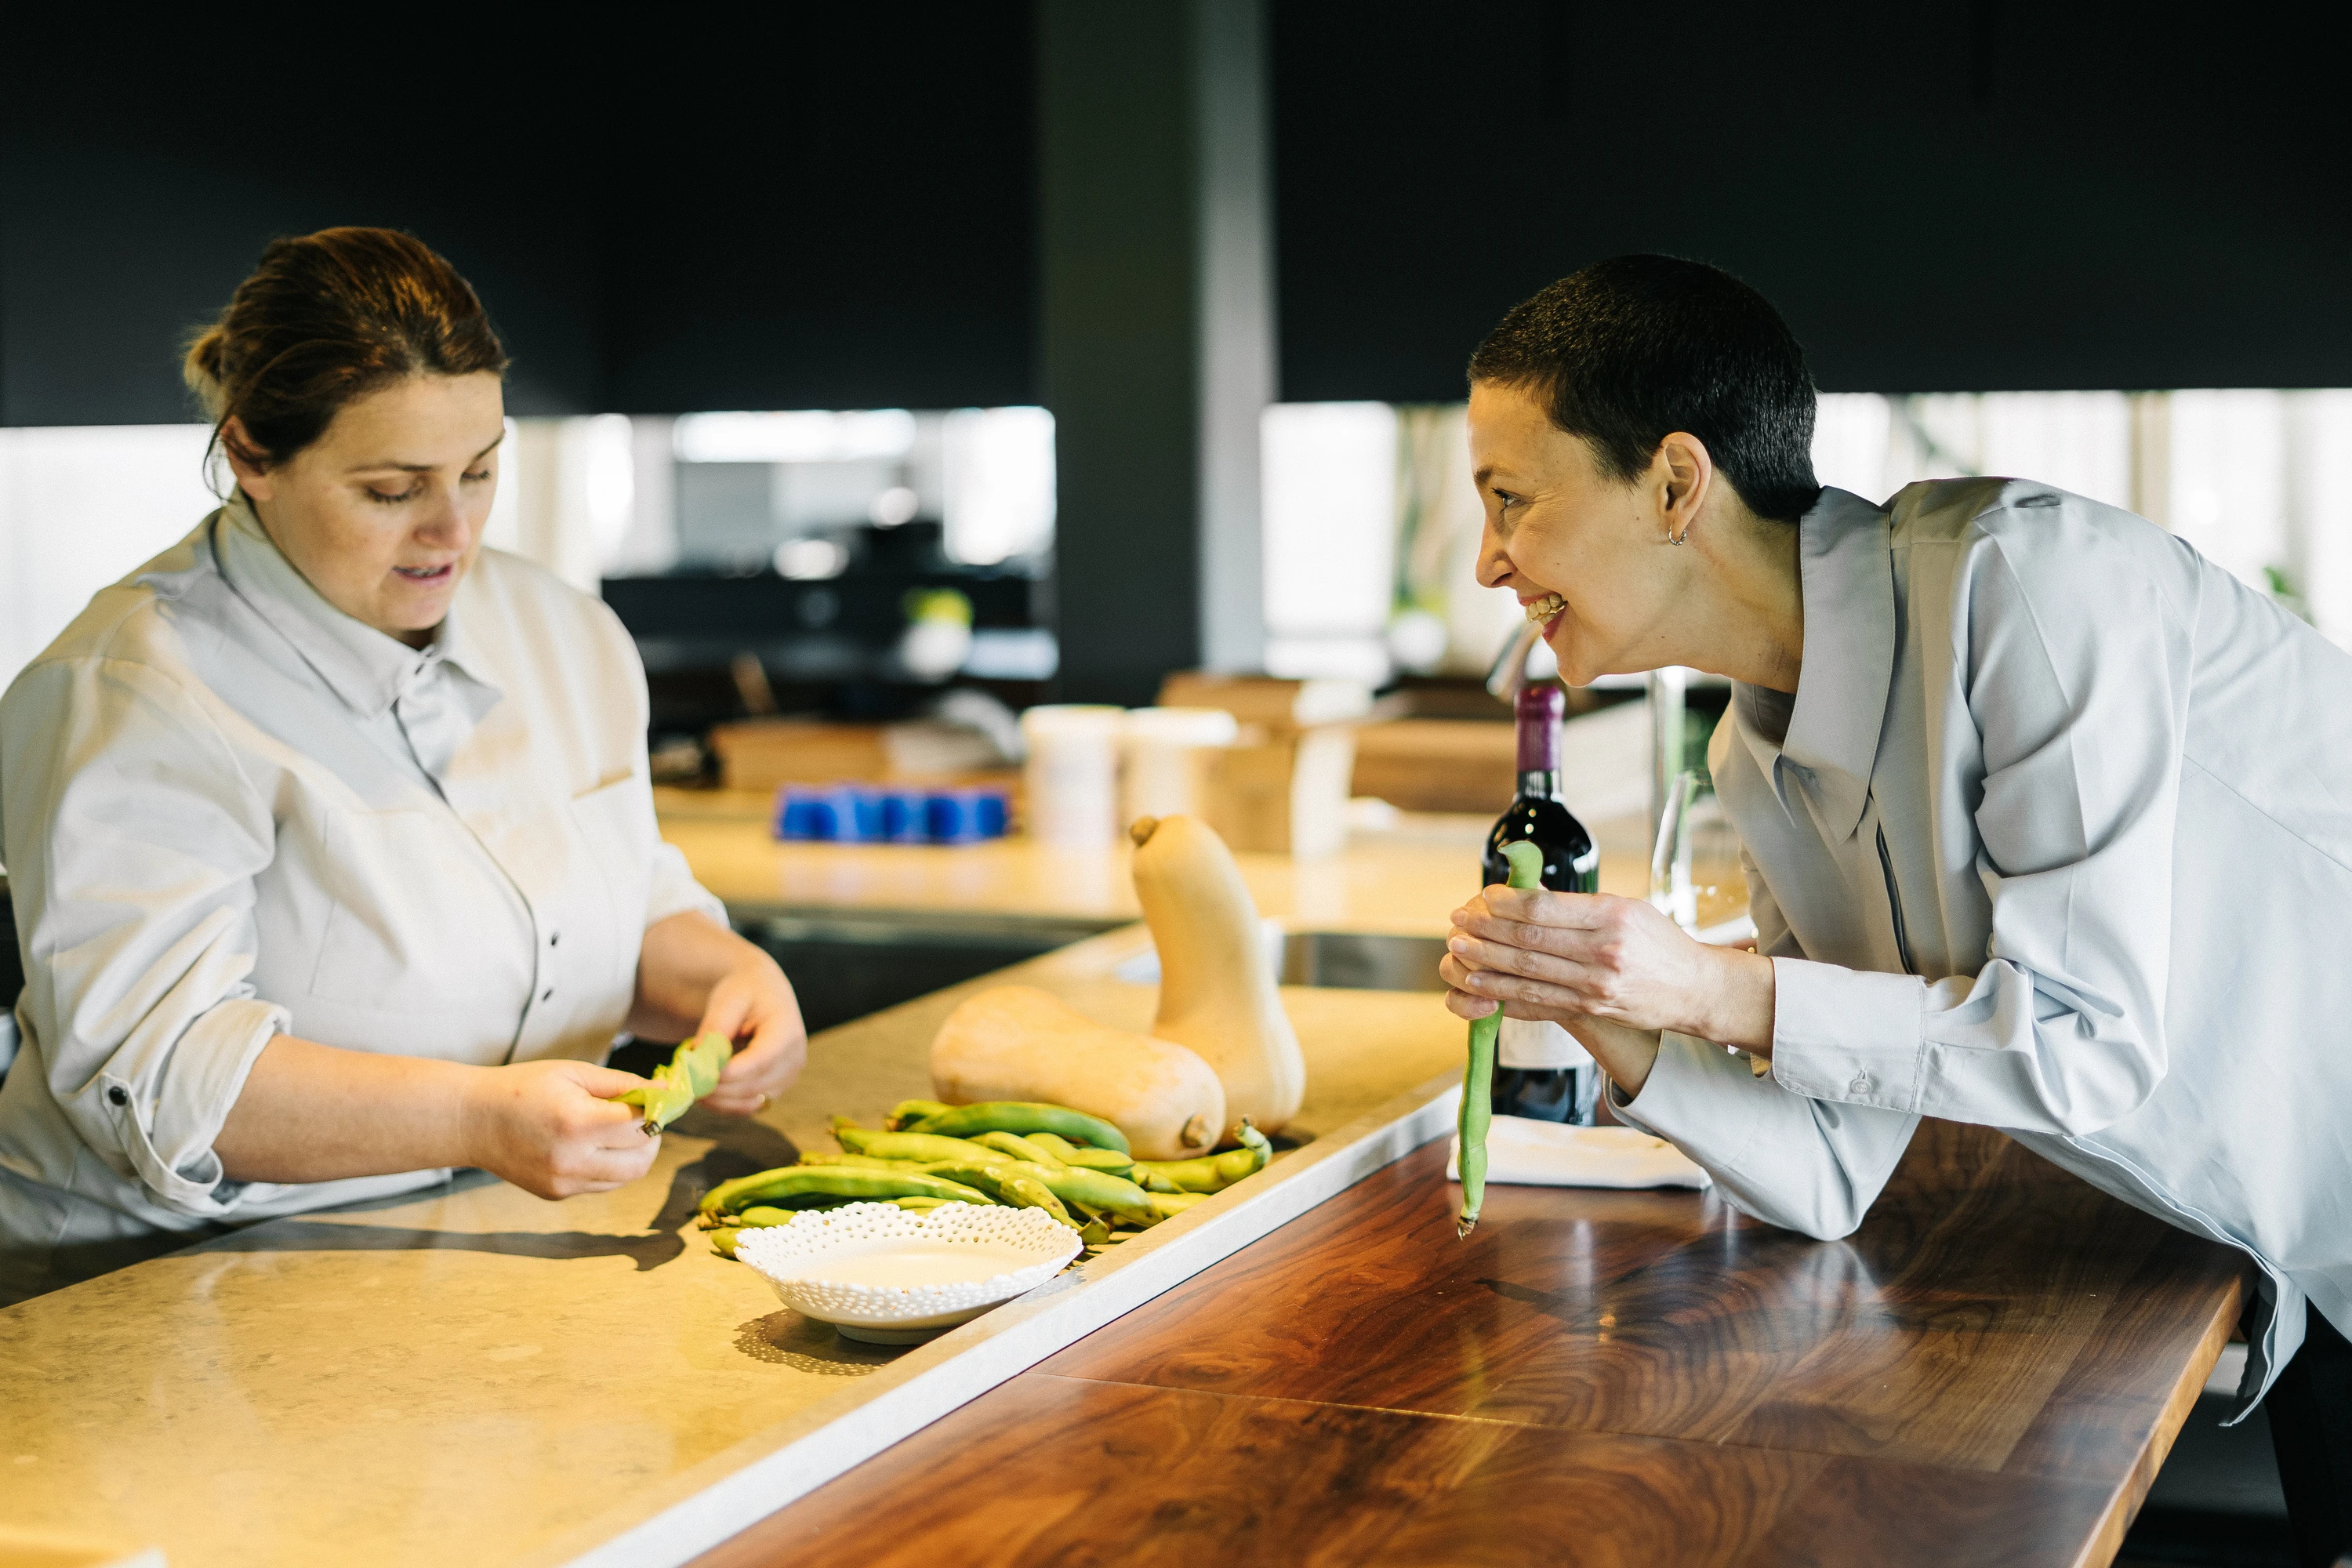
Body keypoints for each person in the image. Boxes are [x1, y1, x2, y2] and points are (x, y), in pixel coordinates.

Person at [1441, 256, 2350, 1559]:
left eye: (1512, 501)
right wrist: (1605, 1010)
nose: (1487, 563)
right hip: (2301, 1255)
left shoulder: (2028, 584)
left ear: (1676, 482)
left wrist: (1703, 985)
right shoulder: (1754, 761)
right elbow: (1828, 1169)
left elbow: (2089, 1046)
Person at [0, 227, 805, 1302]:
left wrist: (731, 980)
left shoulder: (564, 633)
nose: (451, 530)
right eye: (391, 490)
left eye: (480, 471)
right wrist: (484, 1114)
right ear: (252, 457)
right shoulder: (129, 690)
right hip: (148, 1288)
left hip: (466, 1245)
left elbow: (614, 902)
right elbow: (166, 1082)